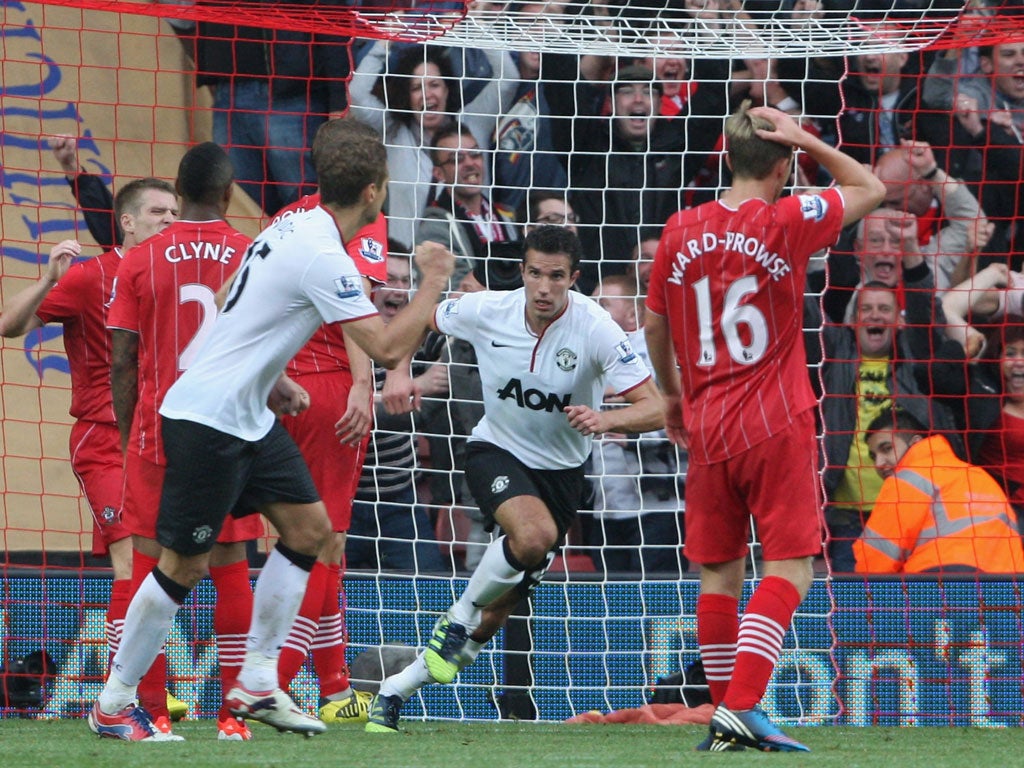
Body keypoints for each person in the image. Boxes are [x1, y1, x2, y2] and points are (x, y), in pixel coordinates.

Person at [87, 117, 454, 741]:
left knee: (309, 531)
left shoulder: (291, 223)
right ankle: (114, 703)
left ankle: (258, 681)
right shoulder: (323, 255)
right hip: (206, 419)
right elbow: (390, 348)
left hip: (248, 412)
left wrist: (269, 369)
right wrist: (436, 279)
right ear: (373, 192)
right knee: (182, 566)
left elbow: (232, 287)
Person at [643, 102, 884, 751]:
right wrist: (806, 138)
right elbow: (872, 187)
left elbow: (654, 325)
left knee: (719, 573)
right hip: (777, 420)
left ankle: (723, 714)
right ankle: (741, 706)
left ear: (725, 155)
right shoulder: (786, 218)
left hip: (707, 423)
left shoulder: (678, 230)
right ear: (783, 167)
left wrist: (671, 396)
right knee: (793, 566)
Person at [364, 225, 663, 733]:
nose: (543, 288)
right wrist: (399, 369)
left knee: (495, 617)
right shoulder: (489, 310)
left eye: (556, 277)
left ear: (574, 278)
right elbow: (415, 322)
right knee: (534, 537)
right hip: (494, 450)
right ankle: (454, 620)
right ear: (522, 271)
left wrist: (606, 419)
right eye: (534, 274)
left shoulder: (596, 329)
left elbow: (656, 405)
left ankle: (393, 692)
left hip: (562, 476)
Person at [106, 143, 264, 741]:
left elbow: (122, 361)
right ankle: (232, 716)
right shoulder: (251, 254)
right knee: (229, 567)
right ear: (227, 194)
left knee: (149, 566)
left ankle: (144, 709)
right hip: (227, 429)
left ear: (178, 191)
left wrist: (128, 435)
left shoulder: (141, 259)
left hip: (159, 431)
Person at [0, 178, 177, 685]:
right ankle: (135, 696)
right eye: (158, 211)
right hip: (105, 437)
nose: (169, 219)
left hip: (163, 437)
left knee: (161, 567)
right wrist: (51, 278)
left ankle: (144, 692)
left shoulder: (175, 274)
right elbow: (10, 324)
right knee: (132, 563)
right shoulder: (92, 276)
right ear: (126, 221)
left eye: (174, 211)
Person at [161, 3, 353, 214]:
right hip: (227, 92)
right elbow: (181, 16)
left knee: (305, 204)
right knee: (243, 207)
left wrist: (339, 102)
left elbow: (332, 19)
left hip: (290, 95)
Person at [348, 40, 516, 247]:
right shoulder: (393, 133)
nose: (427, 94)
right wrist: (382, 46)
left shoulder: (474, 123)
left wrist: (478, 28)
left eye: (434, 84)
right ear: (407, 96)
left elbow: (508, 78)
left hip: (475, 261)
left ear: (447, 89)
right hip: (410, 264)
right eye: (417, 87)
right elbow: (356, 94)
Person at [346, 248, 448, 573]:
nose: (399, 289)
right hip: (345, 497)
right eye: (389, 279)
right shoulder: (343, 333)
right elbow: (345, 411)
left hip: (399, 497)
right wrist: (418, 383)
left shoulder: (415, 330)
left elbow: (456, 346)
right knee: (336, 596)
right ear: (367, 285)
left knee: (429, 590)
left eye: (406, 280)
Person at [583, 275, 686, 577]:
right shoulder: (590, 354)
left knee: (658, 599)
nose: (592, 312)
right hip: (606, 503)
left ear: (632, 314)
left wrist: (634, 434)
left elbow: (685, 411)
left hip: (659, 504)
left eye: (602, 305)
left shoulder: (662, 354)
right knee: (611, 597)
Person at [853, 410, 1024, 574]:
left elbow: (876, 559)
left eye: (887, 449)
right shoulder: (978, 476)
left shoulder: (908, 479)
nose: (879, 463)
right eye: (873, 456)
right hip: (1004, 590)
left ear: (915, 442)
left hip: (940, 585)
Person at [416, 123, 518, 287]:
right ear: (439, 174)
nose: (470, 163)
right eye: (457, 159)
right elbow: (449, 292)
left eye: (475, 154)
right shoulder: (435, 228)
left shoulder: (508, 217)